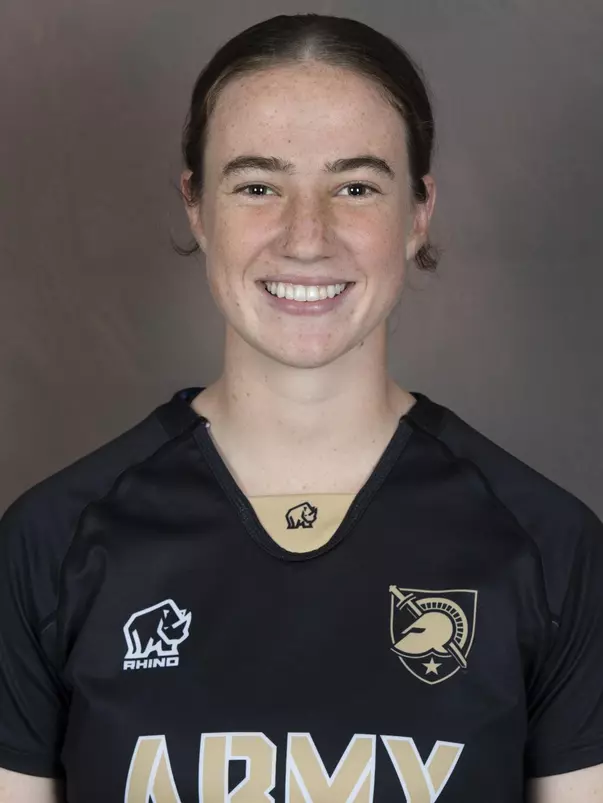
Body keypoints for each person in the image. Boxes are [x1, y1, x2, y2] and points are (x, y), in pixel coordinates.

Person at [0, 12, 602, 803]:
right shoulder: (50, 544)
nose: (306, 237)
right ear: (196, 206)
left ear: (418, 211)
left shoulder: (550, 550)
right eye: (257, 186)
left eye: (355, 187)